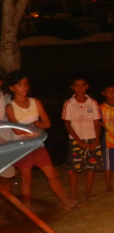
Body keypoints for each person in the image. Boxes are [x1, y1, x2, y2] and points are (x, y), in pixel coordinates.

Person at [4, 71, 77, 210]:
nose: (24, 87)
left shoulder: (35, 102)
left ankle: (65, 202)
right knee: (26, 180)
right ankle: (28, 212)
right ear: (12, 88)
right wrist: (35, 127)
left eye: (26, 84)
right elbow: (16, 130)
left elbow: (47, 123)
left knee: (52, 175)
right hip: (22, 148)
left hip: (38, 145)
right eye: (20, 85)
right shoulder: (11, 107)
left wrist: (35, 126)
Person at [61, 77, 103, 201]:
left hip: (92, 138)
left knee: (91, 167)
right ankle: (73, 195)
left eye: (82, 85)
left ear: (87, 86)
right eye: (77, 86)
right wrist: (79, 141)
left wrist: (97, 140)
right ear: (72, 88)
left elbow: (96, 122)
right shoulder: (69, 104)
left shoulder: (92, 102)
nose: (80, 88)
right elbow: (67, 124)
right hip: (76, 140)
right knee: (73, 168)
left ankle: (88, 193)